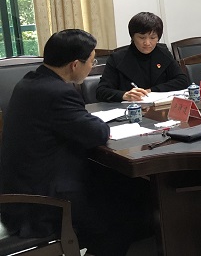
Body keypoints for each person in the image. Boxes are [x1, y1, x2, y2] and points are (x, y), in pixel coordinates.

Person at [0, 29, 150, 256]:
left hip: (22, 188)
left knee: (127, 186)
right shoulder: (58, 92)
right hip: (42, 202)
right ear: (74, 65)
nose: (92, 66)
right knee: (126, 213)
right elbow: (98, 133)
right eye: (92, 61)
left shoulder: (30, 82)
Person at [97, 11, 188, 101]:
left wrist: (151, 91)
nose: (147, 43)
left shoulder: (163, 53)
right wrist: (124, 95)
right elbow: (101, 91)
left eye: (153, 38)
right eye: (142, 37)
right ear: (133, 37)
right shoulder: (117, 58)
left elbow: (182, 81)